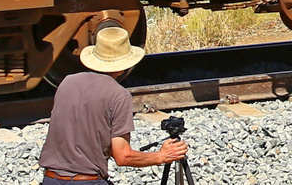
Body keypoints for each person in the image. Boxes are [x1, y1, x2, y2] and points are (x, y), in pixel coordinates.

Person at [39, 25, 188, 183]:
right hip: (87, 181)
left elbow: (82, 135)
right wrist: (162, 156)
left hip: (51, 179)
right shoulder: (118, 94)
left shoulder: (68, 82)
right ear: (126, 64)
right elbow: (123, 157)